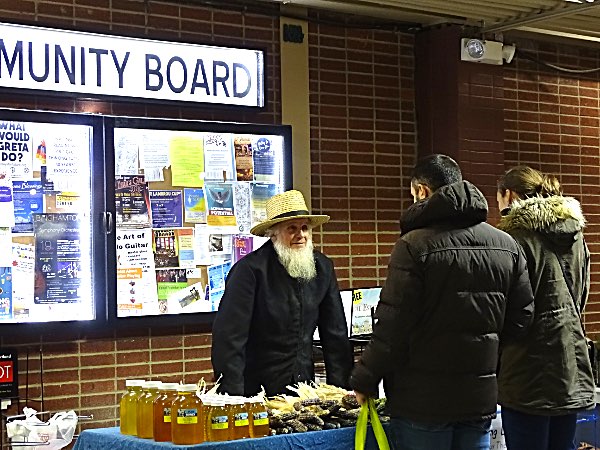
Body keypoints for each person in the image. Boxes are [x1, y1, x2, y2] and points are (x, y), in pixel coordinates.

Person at [350, 154, 535, 450]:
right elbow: (522, 319)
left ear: (422, 191)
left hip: (422, 402)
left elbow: (392, 327)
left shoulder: (414, 246)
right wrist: (484, 348)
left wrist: (365, 377)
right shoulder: (506, 245)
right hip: (478, 397)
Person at [211, 189, 353, 397]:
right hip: (258, 390)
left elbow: (335, 334)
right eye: (292, 228)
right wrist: (233, 400)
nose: (301, 235)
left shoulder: (322, 267)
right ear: (274, 233)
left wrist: (341, 391)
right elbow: (229, 341)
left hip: (304, 388)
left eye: (305, 228)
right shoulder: (250, 271)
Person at [496, 166, 595, 450]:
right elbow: (582, 295)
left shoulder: (513, 240)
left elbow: (511, 310)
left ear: (509, 195)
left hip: (527, 369)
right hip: (570, 363)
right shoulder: (577, 236)